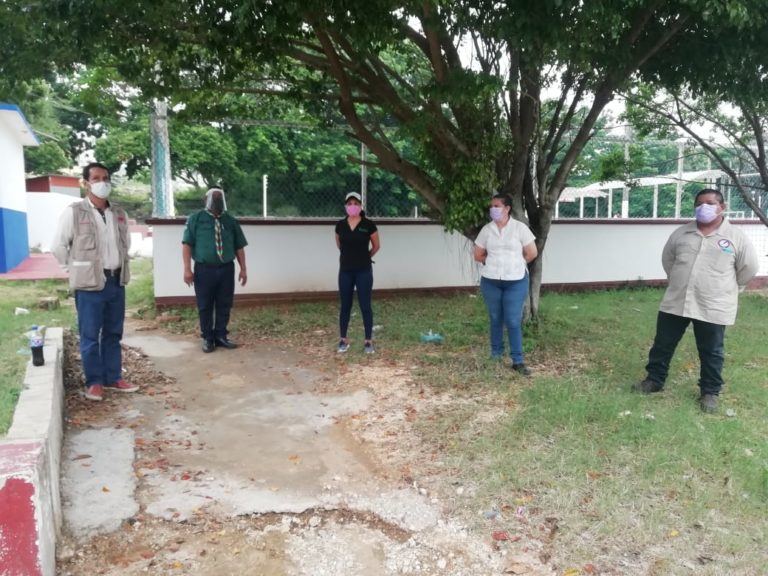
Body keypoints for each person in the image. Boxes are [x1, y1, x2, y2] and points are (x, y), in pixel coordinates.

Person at [633, 188, 758, 413]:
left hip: (713, 303)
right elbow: (668, 261)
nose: (703, 207)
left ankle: (710, 392)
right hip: (677, 299)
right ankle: (654, 380)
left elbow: (748, 268)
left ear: (722, 207)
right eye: (699, 204)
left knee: (712, 350)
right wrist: (680, 280)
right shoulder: (681, 234)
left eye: (709, 203)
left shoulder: (735, 237)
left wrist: (728, 287)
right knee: (663, 343)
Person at [52, 162, 138, 401]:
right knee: (90, 334)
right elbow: (58, 246)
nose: (102, 183)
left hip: (116, 280)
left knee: (113, 332)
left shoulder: (118, 213)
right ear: (86, 183)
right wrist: (74, 270)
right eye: (97, 178)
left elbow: (126, 244)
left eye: (106, 178)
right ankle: (94, 382)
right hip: (89, 285)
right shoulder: (74, 212)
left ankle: (113, 377)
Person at [474, 193, 538, 375]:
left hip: (516, 281)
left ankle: (517, 360)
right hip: (491, 281)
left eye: (496, 206)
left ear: (507, 208)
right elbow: (478, 254)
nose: (492, 209)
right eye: (491, 206)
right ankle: (496, 354)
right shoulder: (487, 230)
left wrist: (516, 263)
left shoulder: (520, 228)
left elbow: (532, 253)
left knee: (512, 320)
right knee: (495, 318)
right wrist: (492, 262)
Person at [182, 188, 248, 353]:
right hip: (204, 270)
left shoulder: (230, 221)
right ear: (205, 199)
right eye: (213, 197)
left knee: (224, 303)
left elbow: (239, 246)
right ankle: (207, 338)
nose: (217, 200)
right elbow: (187, 244)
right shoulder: (196, 219)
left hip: (226, 269)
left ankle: (221, 336)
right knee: (205, 305)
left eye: (220, 197)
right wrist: (187, 269)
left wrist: (243, 269)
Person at [335, 191, 380, 353]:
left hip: (363, 271)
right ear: (345, 206)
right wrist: (350, 256)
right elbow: (339, 245)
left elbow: (376, 246)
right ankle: (343, 339)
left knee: (365, 305)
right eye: (350, 204)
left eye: (356, 203)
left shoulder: (368, 224)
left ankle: (368, 341)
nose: (353, 206)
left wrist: (365, 257)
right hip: (346, 271)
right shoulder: (340, 225)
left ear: (361, 205)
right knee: (345, 305)